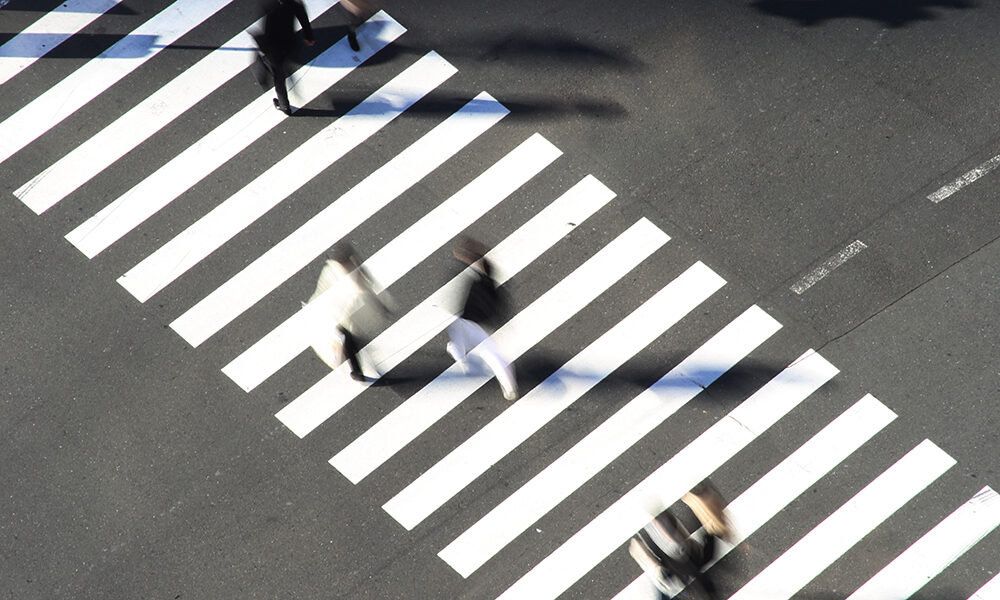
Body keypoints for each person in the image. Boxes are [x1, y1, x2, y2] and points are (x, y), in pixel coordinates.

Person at [446, 236, 518, 401]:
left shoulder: (477, 284)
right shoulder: (492, 286)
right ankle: (509, 388)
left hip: (467, 323)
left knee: (459, 343)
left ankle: (464, 362)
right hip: (479, 326)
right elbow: (500, 308)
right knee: (492, 356)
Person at [307, 244, 389, 382]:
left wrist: (379, 305)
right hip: (339, 314)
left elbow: (365, 287)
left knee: (350, 340)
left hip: (347, 314)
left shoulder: (339, 269)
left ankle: (356, 368)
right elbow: (365, 286)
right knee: (349, 340)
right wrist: (380, 306)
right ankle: (356, 369)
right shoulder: (341, 270)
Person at [252, 0, 315, 115]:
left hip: (273, 49)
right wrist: (309, 37)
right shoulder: (296, 5)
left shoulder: (270, 5)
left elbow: (267, 27)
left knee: (277, 77)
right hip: (289, 45)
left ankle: (284, 105)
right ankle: (283, 104)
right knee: (280, 73)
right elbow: (304, 21)